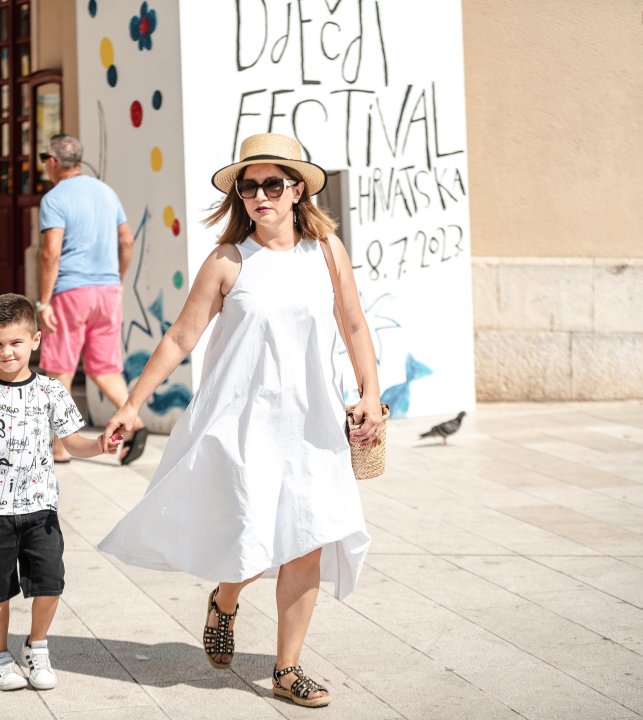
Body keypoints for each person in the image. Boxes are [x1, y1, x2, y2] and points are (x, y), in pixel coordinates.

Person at [99, 134, 383, 708]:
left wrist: (370, 393)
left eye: (272, 184)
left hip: (313, 421)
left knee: (306, 538)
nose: (259, 196)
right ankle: (225, 601)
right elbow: (181, 337)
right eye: (249, 187)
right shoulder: (229, 260)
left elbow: (353, 325)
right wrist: (132, 406)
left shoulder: (326, 252)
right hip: (244, 421)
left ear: (297, 189)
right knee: (252, 534)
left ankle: (287, 668)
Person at [0, 294, 120, 691]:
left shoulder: (52, 391)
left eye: (15, 343)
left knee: (50, 581)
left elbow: (71, 441)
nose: (6, 352)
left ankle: (36, 646)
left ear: (36, 340)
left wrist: (99, 445)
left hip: (40, 511)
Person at [36, 134, 148, 465]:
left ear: (53, 162)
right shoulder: (106, 192)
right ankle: (136, 425)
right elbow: (126, 242)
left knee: (59, 371)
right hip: (108, 291)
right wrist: (119, 280)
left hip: (71, 291)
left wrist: (44, 301)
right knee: (105, 368)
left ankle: (59, 448)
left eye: (45, 159)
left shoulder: (54, 198)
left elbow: (51, 252)